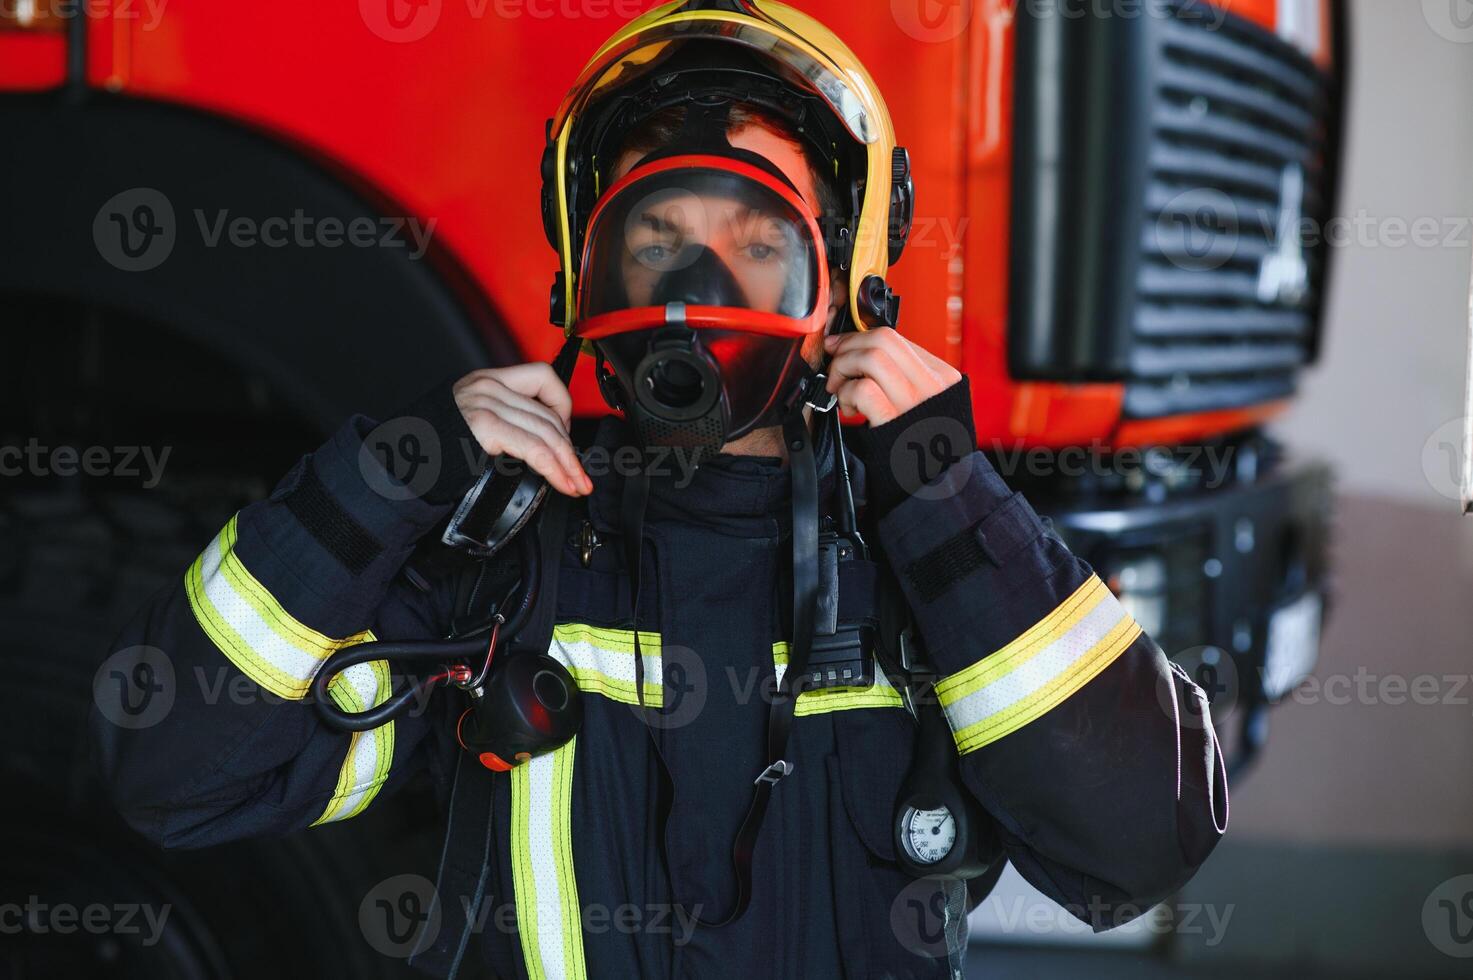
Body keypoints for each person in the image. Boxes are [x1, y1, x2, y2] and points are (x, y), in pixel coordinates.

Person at [90, 3, 1227, 978]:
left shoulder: (925, 562)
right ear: (591, 271)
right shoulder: (496, 561)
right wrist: (389, 471)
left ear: (839, 286)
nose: (698, 281)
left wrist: (949, 495)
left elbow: (1134, 848)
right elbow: (175, 773)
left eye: (754, 237)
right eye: (657, 236)